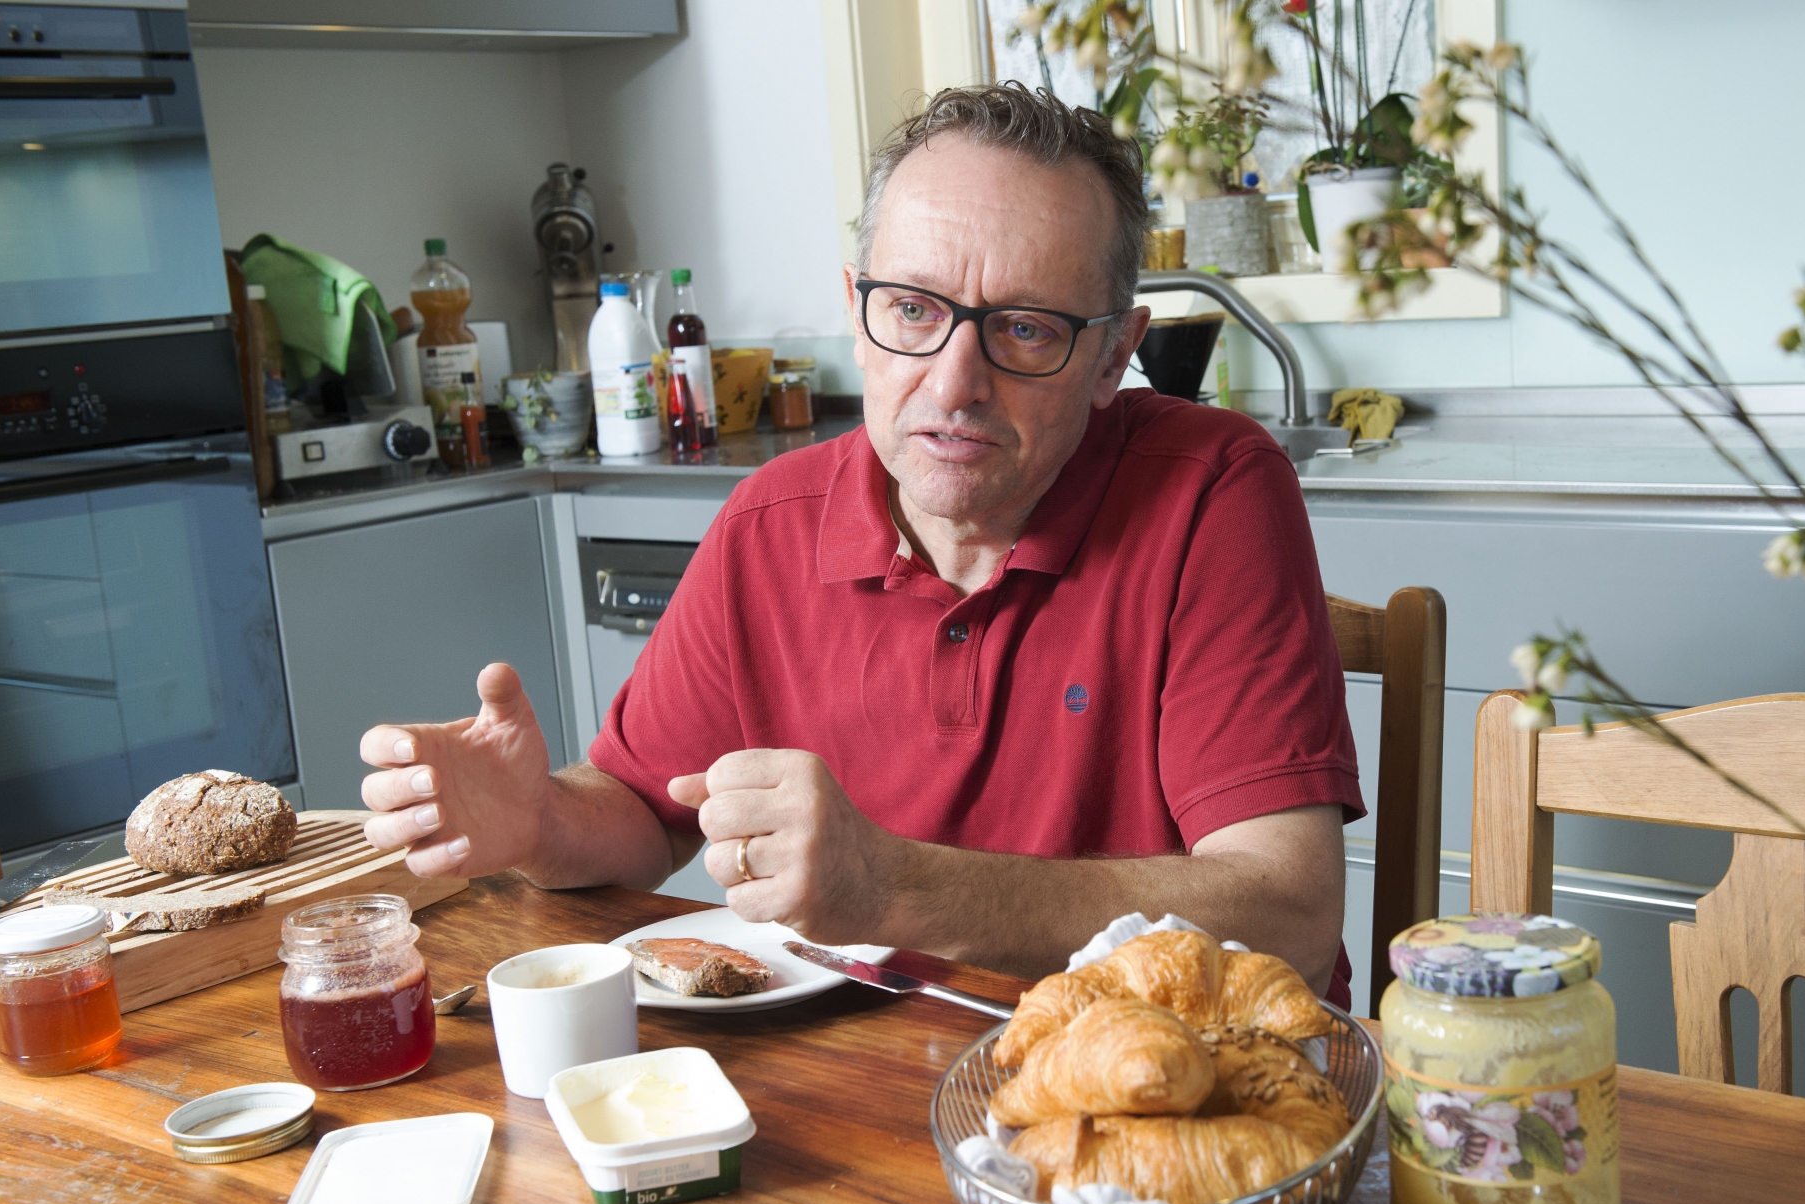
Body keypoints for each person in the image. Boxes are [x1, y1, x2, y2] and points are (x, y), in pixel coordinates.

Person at [359, 85, 1364, 998]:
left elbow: (1289, 917)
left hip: (1165, 1102)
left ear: (1111, 357)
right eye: (913, 310)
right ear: (855, 309)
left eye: (1022, 329)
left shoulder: (1210, 487)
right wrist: (538, 819)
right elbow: (639, 805)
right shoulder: (768, 522)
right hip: (865, 1095)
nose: (953, 381)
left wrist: (889, 885)